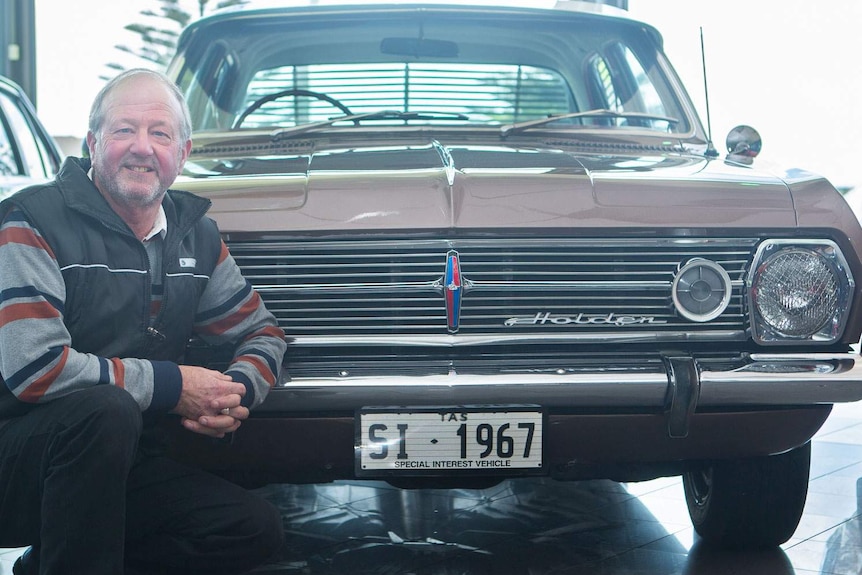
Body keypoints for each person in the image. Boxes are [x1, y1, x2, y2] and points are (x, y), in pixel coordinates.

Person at [0, 69, 288, 574]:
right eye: (123, 130)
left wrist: (233, 392)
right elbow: (36, 367)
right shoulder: (28, 220)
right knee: (103, 411)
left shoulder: (195, 236)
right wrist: (176, 385)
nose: (141, 147)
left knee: (250, 530)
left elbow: (261, 332)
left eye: (160, 133)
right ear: (93, 143)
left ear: (183, 152)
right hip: (19, 461)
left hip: (123, 463)